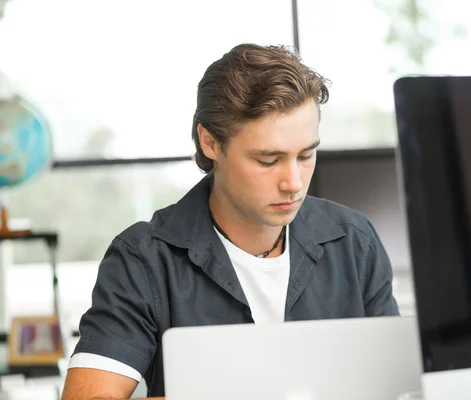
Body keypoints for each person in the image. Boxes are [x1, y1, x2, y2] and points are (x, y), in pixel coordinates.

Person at [61, 43, 399, 400]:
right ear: (210, 143)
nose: (294, 183)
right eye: (268, 160)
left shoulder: (354, 241)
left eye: (306, 155)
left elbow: (398, 386)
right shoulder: (143, 261)